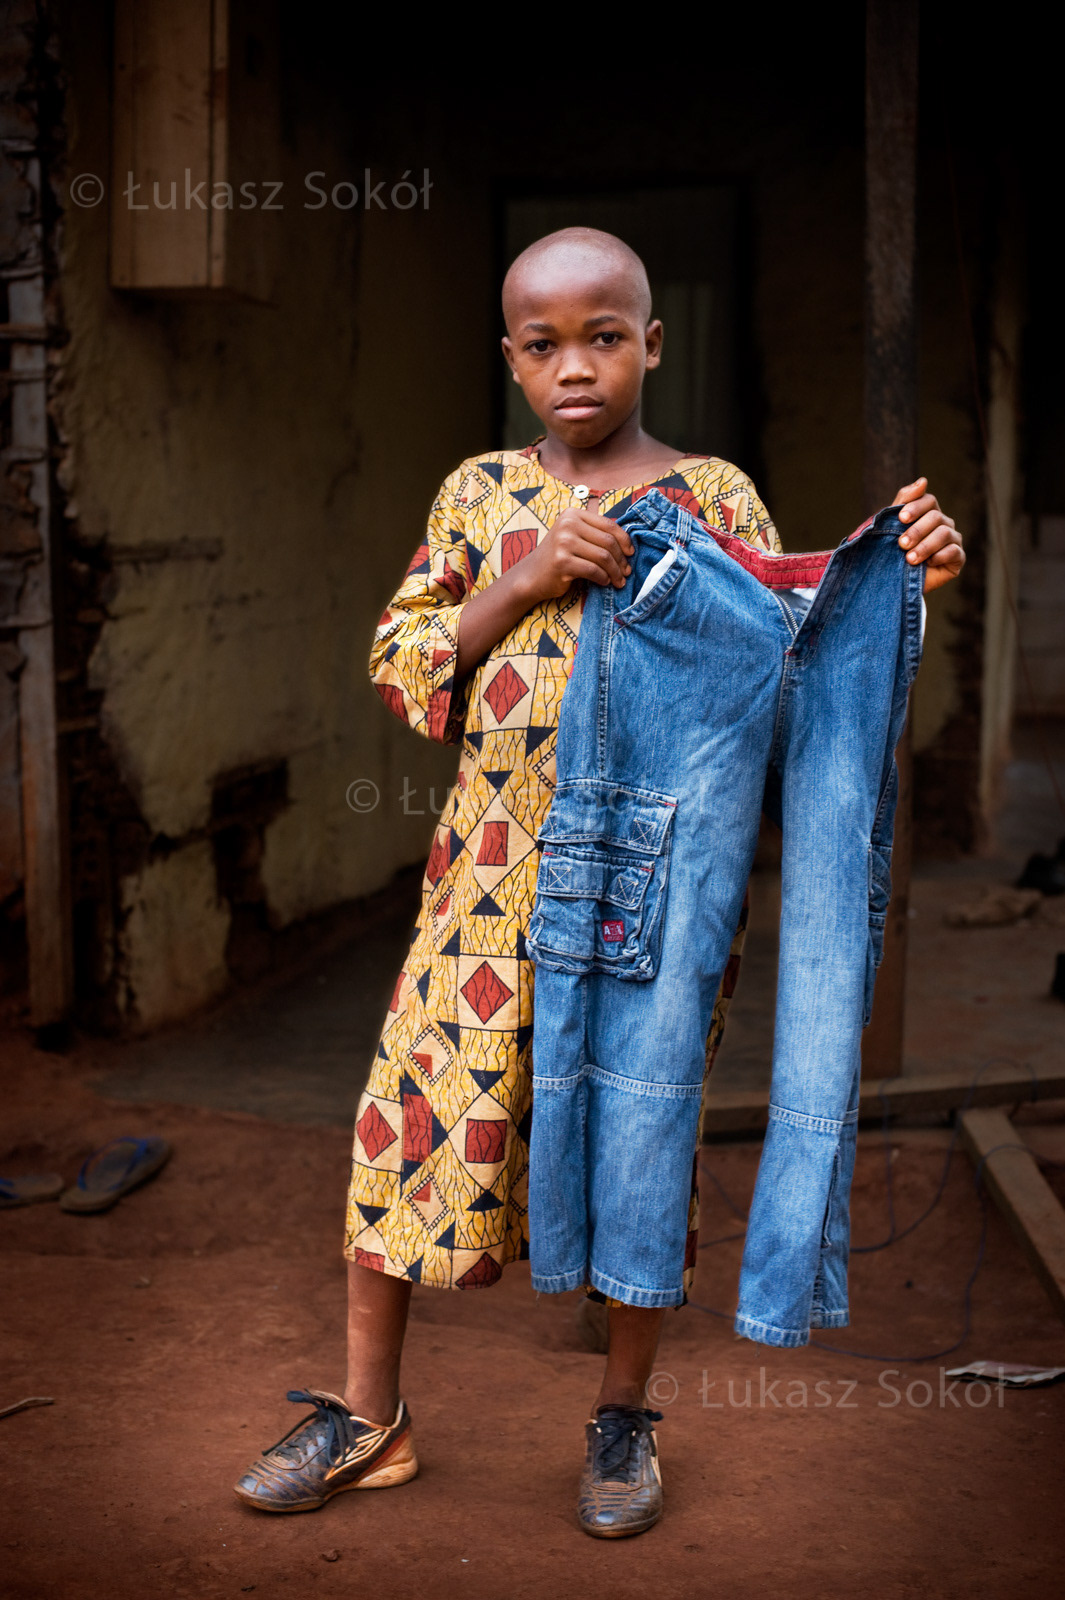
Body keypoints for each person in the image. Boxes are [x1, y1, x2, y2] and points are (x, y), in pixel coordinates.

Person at [234, 228, 964, 1536]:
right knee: (408, 1117)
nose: (575, 366)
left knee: (641, 1135)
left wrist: (900, 592)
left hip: (655, 890)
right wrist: (529, 573)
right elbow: (405, 667)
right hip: (485, 884)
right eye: (544, 344)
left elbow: (792, 672)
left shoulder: (716, 499)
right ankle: (368, 1415)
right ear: (510, 360)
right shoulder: (477, 495)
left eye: (605, 337)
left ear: (652, 344)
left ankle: (622, 1418)